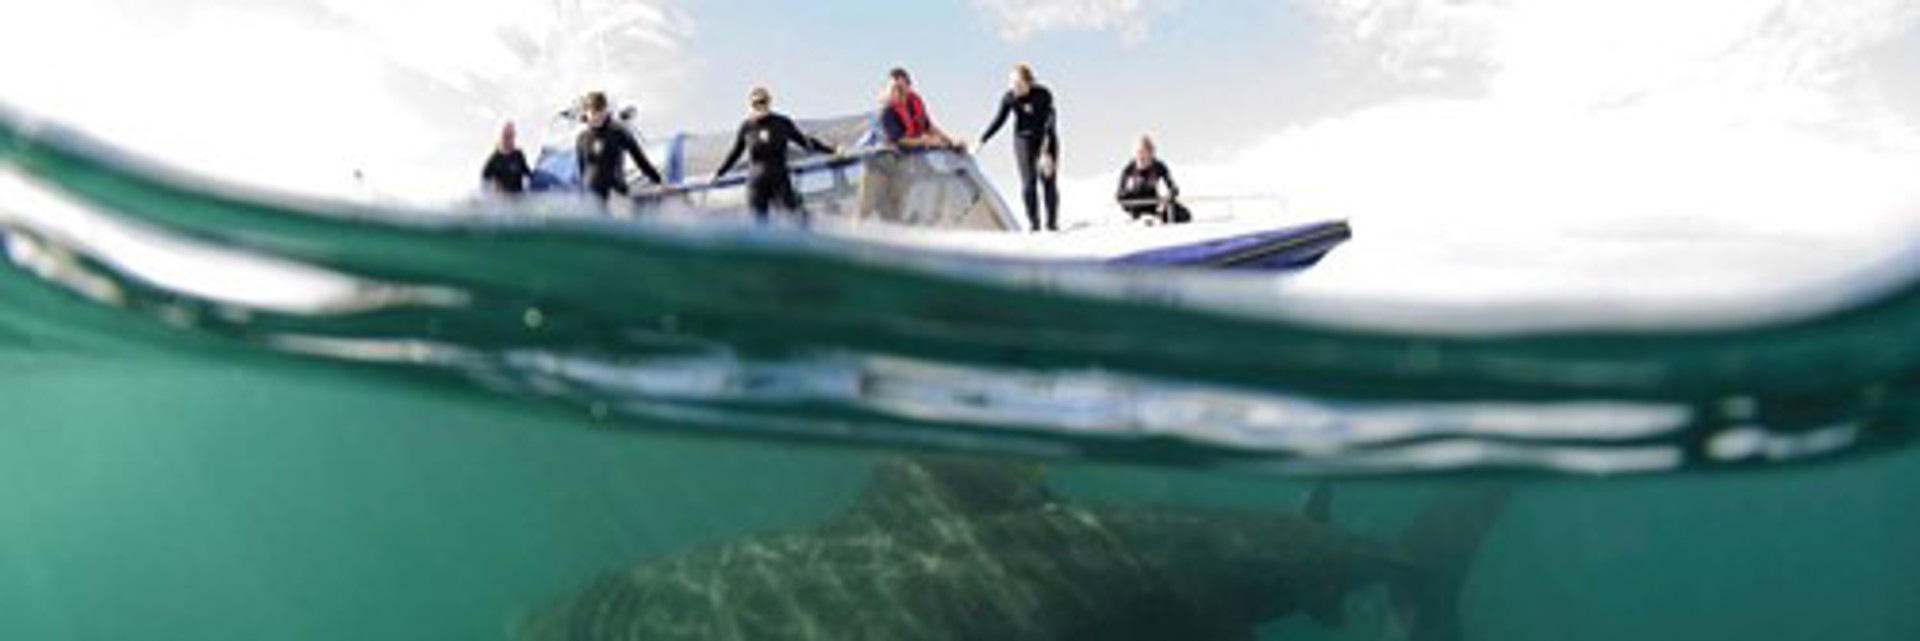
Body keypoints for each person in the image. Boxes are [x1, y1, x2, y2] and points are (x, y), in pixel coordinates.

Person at [712, 86, 839, 223]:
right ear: (751, 105)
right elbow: (735, 153)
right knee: (759, 226)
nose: (760, 105)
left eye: (763, 101)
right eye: (756, 103)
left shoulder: (782, 123)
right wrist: (719, 173)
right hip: (756, 184)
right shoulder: (746, 127)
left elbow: (805, 142)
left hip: (780, 181)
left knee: (796, 219)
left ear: (769, 102)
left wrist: (832, 150)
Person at [980, 63, 1060, 232]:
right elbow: (999, 121)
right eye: (1011, 83)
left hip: (1046, 138)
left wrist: (1046, 153)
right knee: (1028, 183)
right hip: (1023, 139)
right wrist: (982, 140)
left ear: (1028, 82)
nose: (1013, 87)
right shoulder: (1009, 97)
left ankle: (1052, 224)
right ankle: (1034, 224)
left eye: (1017, 84)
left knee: (1048, 179)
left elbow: (1050, 122)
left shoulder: (1043, 95)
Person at [575, 91, 663, 202]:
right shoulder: (582, 138)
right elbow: (582, 170)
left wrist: (658, 180)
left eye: (601, 111)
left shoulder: (618, 132)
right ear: (586, 113)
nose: (597, 116)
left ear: (606, 110)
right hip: (591, 198)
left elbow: (640, 159)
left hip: (616, 196)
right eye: (593, 112)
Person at [878, 67, 959, 149]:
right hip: (901, 151)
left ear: (908, 86)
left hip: (921, 145)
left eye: (903, 86)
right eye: (896, 88)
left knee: (947, 146)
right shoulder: (888, 112)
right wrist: (925, 141)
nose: (900, 91)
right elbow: (898, 140)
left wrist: (950, 142)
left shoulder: (914, 104)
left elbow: (929, 127)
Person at [1117, 135, 1185, 224]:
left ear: (1151, 153)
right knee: (1124, 197)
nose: (1140, 157)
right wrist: (1129, 207)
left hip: (1154, 203)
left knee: (1184, 215)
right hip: (1136, 205)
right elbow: (1119, 194)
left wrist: (1167, 198)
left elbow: (1174, 188)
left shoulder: (1159, 166)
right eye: (1138, 153)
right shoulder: (1129, 168)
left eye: (1143, 152)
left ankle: (1158, 219)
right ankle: (1139, 219)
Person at [481, 122, 532, 197]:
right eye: (506, 136)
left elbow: (528, 174)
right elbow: (484, 181)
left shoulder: (518, 155)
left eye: (512, 136)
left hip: (519, 198)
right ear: (501, 137)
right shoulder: (494, 159)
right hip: (503, 200)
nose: (509, 140)